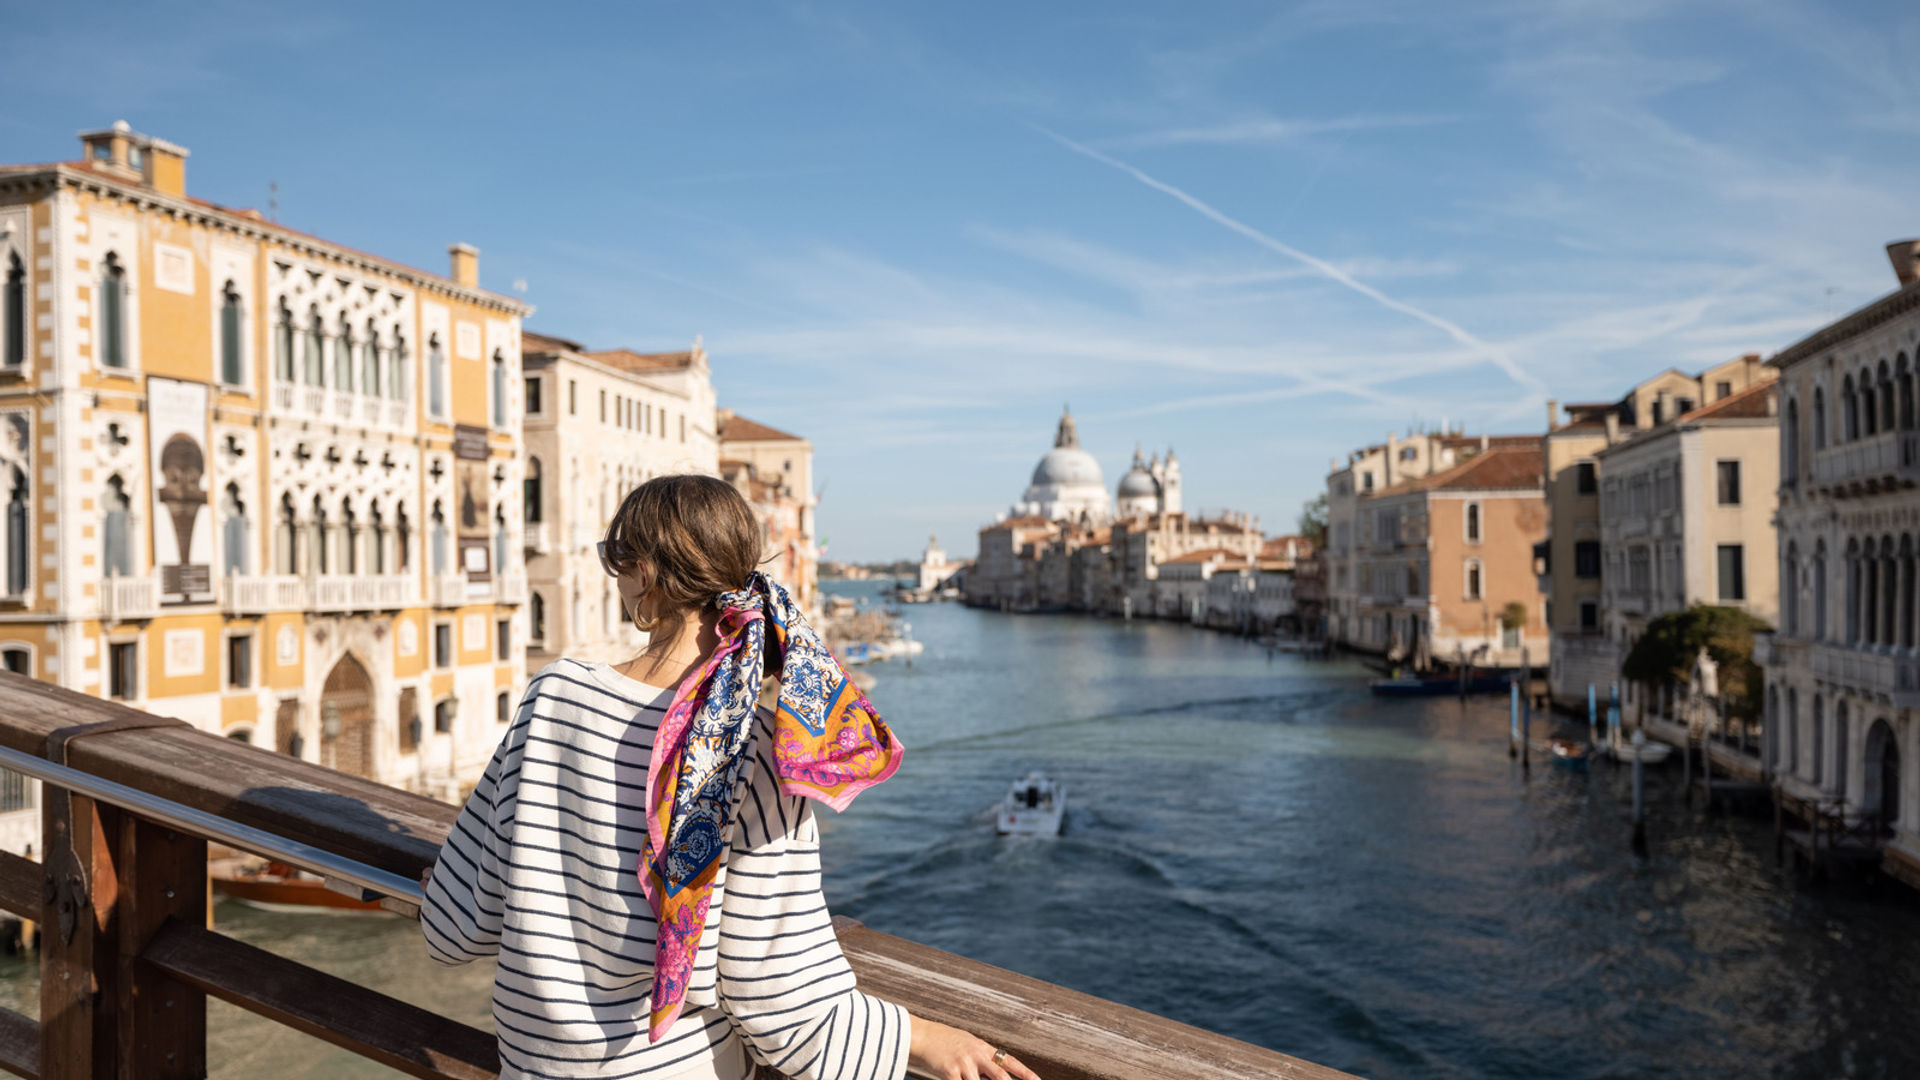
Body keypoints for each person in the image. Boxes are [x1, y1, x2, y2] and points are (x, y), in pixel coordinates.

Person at [422, 474, 1039, 1080]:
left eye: (617, 562)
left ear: (646, 577)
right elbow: (782, 1004)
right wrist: (926, 1038)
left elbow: (457, 926)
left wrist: (440, 889)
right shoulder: (756, 745)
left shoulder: (553, 695)